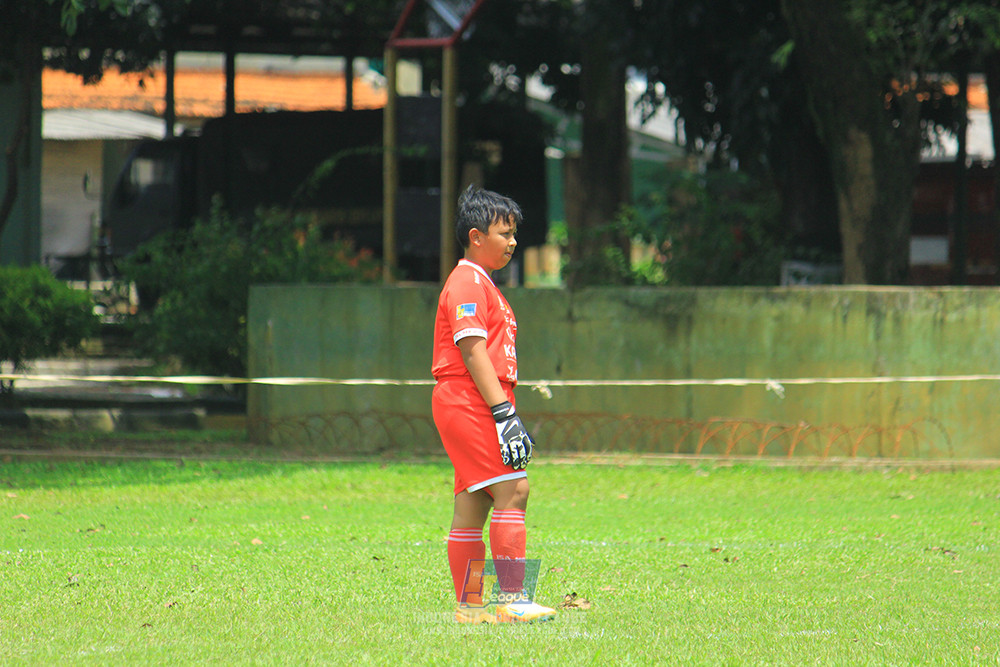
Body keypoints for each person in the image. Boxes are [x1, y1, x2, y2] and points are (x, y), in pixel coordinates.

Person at [431, 185, 557, 624]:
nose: (513, 242)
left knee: (474, 502)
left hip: (471, 398)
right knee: (513, 490)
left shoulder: (482, 283)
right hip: (470, 398)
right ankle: (514, 598)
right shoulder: (467, 281)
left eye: (514, 233)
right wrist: (503, 412)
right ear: (476, 236)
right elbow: (472, 350)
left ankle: (469, 606)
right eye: (505, 233)